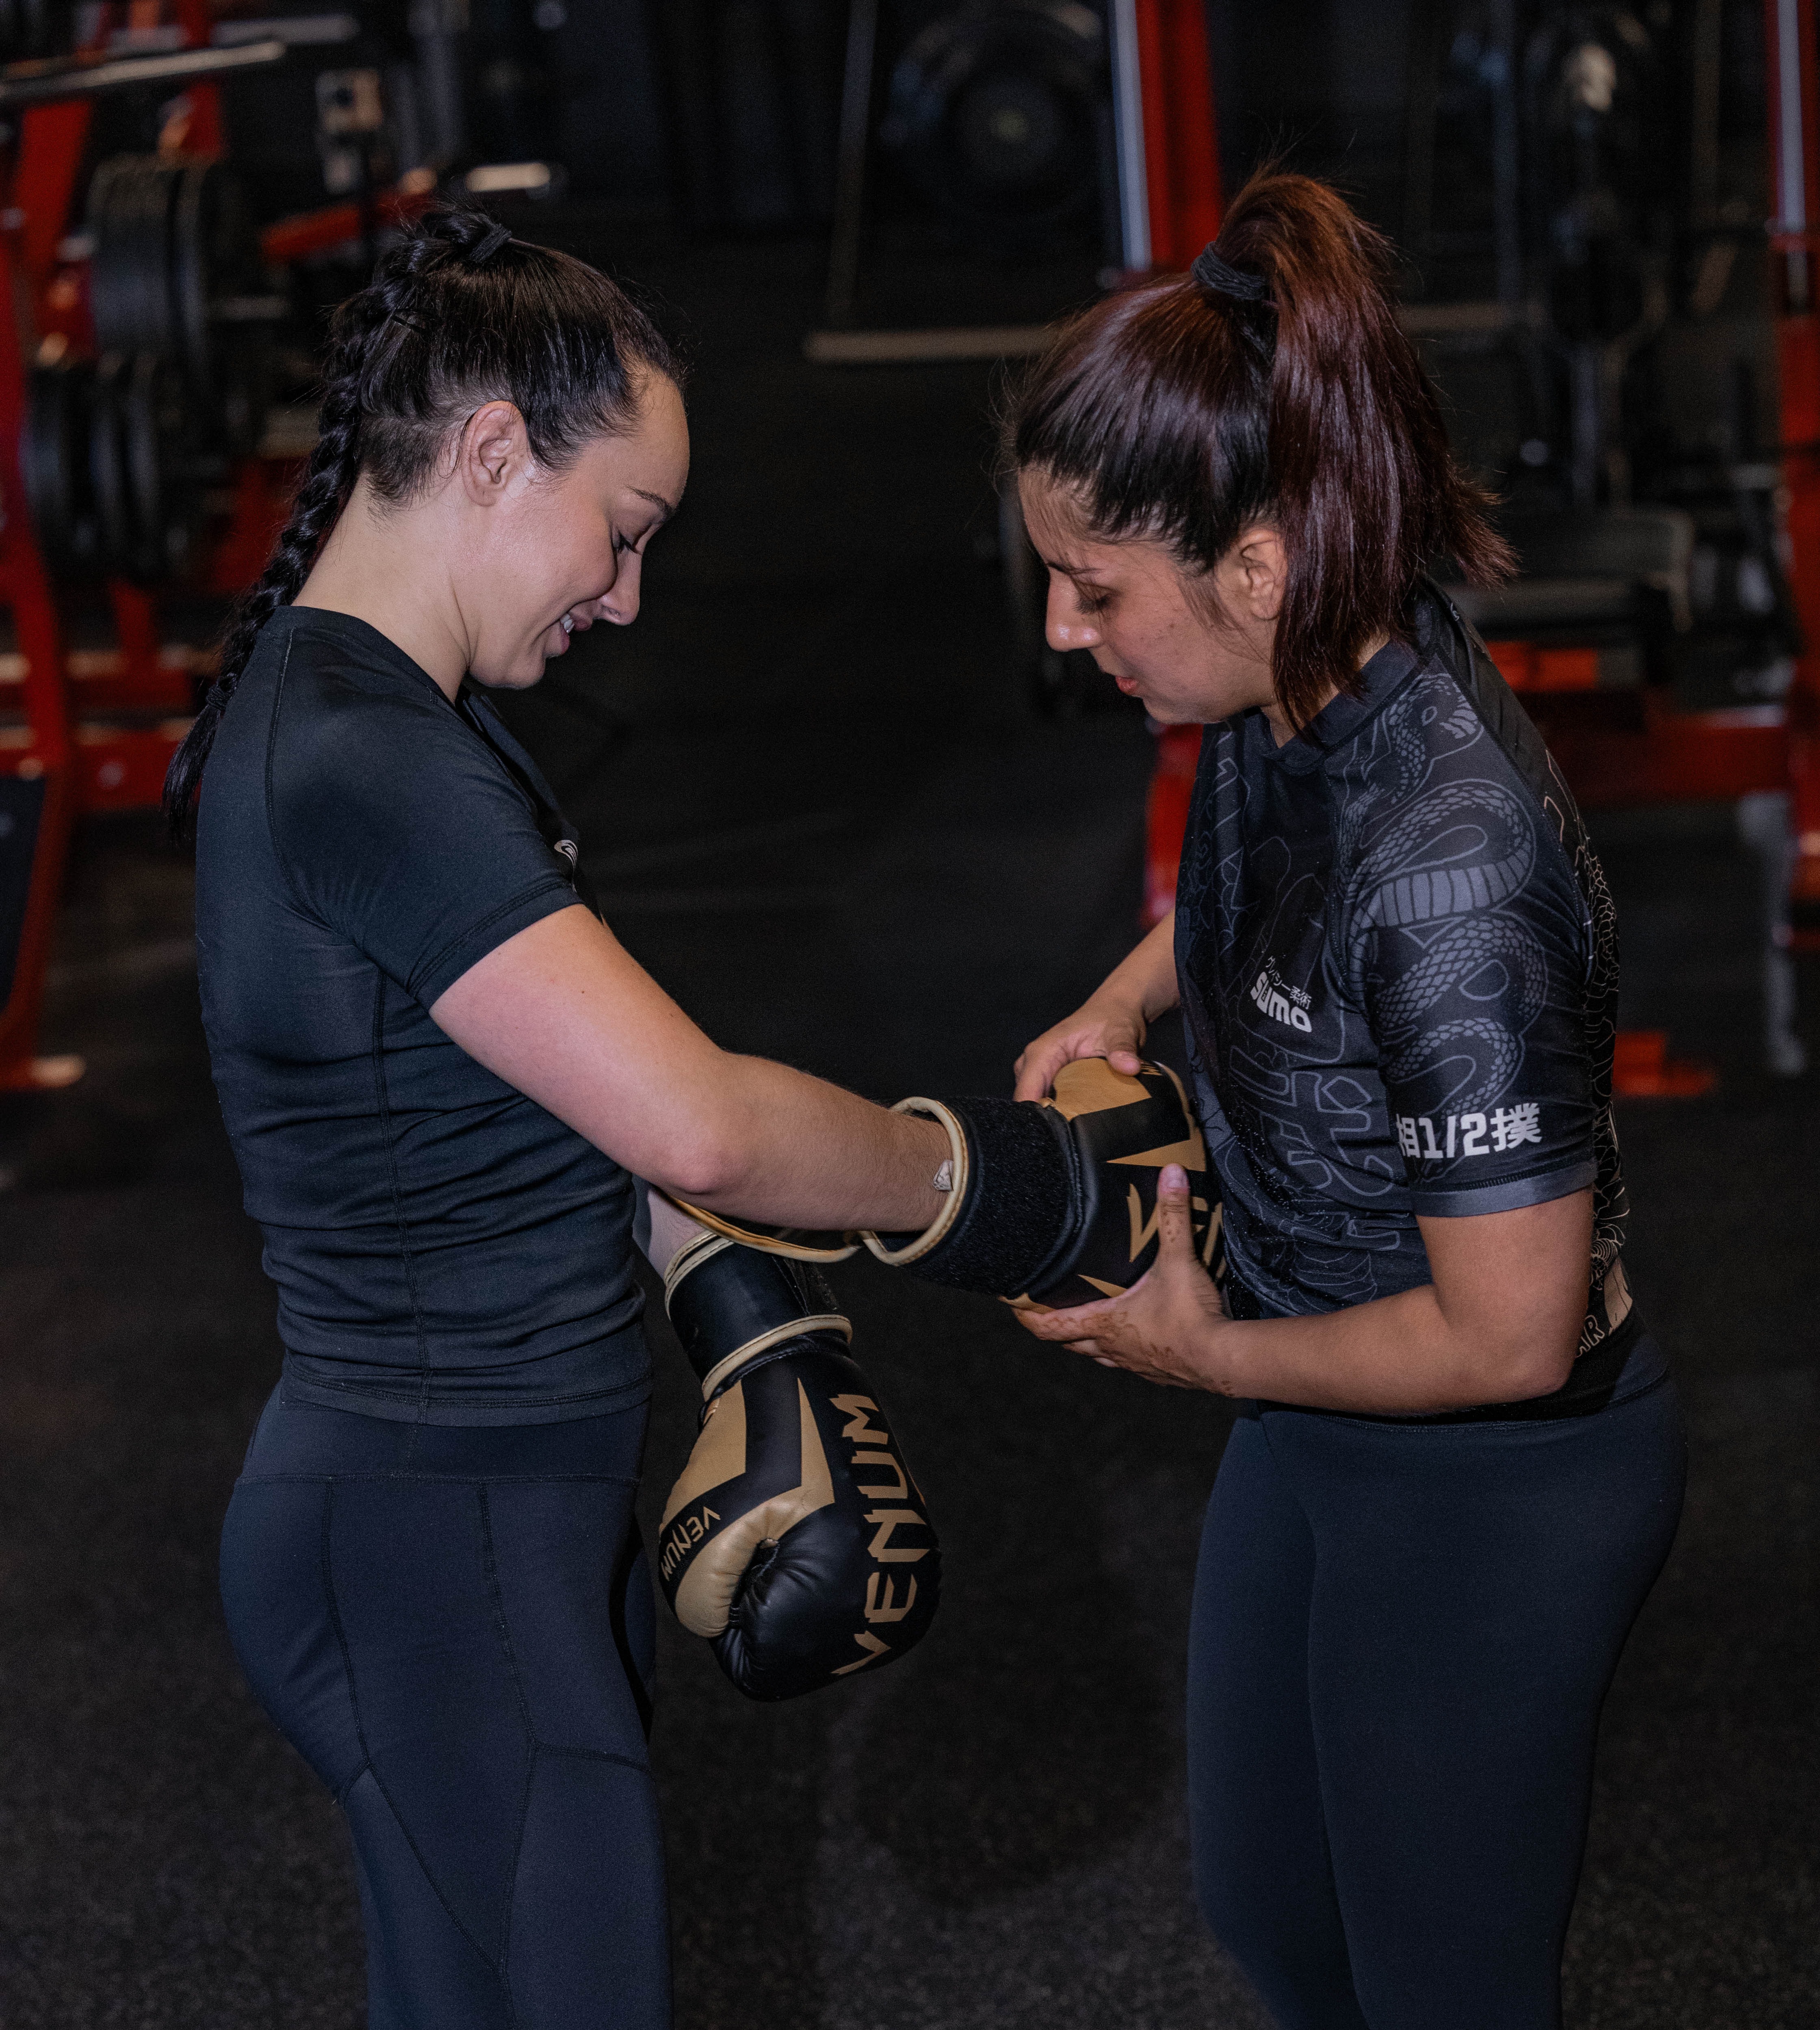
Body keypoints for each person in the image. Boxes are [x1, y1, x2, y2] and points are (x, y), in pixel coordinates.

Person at [169, 210, 950, 2029]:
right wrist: (986, 1180)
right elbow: (697, 1126)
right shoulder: (369, 757)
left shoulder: (384, 717)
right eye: (626, 528)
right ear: (496, 448)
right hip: (438, 1526)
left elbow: (572, 1109)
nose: (627, 596)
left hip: (474, 1519)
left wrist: (750, 1316)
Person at [996, 171, 1686, 2029]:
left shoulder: (1455, 869)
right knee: (1278, 1918)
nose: (1063, 628)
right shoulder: (1287, 688)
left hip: (1490, 1471)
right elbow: (1256, 887)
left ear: (1256, 565)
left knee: (1440, 1987)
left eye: (1094, 588)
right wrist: (1121, 993)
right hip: (1319, 1402)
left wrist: (1197, 1348)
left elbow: (1508, 1332)